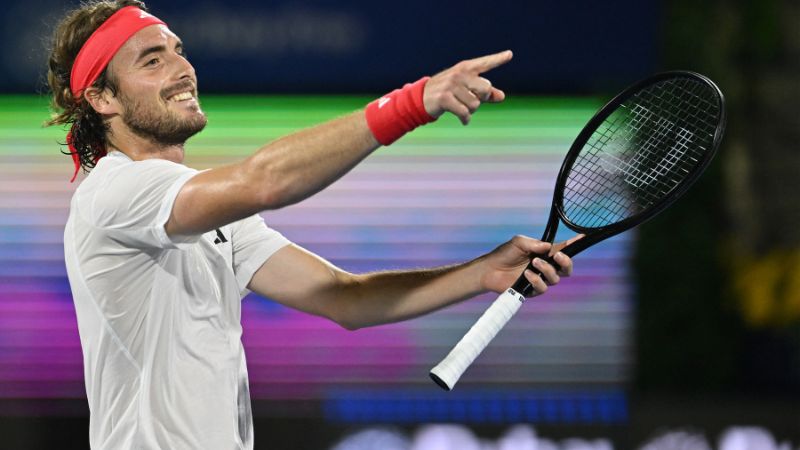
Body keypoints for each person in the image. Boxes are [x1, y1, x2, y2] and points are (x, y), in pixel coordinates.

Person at [45, 1, 576, 449]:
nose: (182, 69)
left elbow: (345, 298)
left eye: (179, 51)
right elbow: (266, 181)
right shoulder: (112, 192)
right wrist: (413, 104)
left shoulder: (208, 216)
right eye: (152, 61)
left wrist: (482, 273)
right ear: (102, 98)